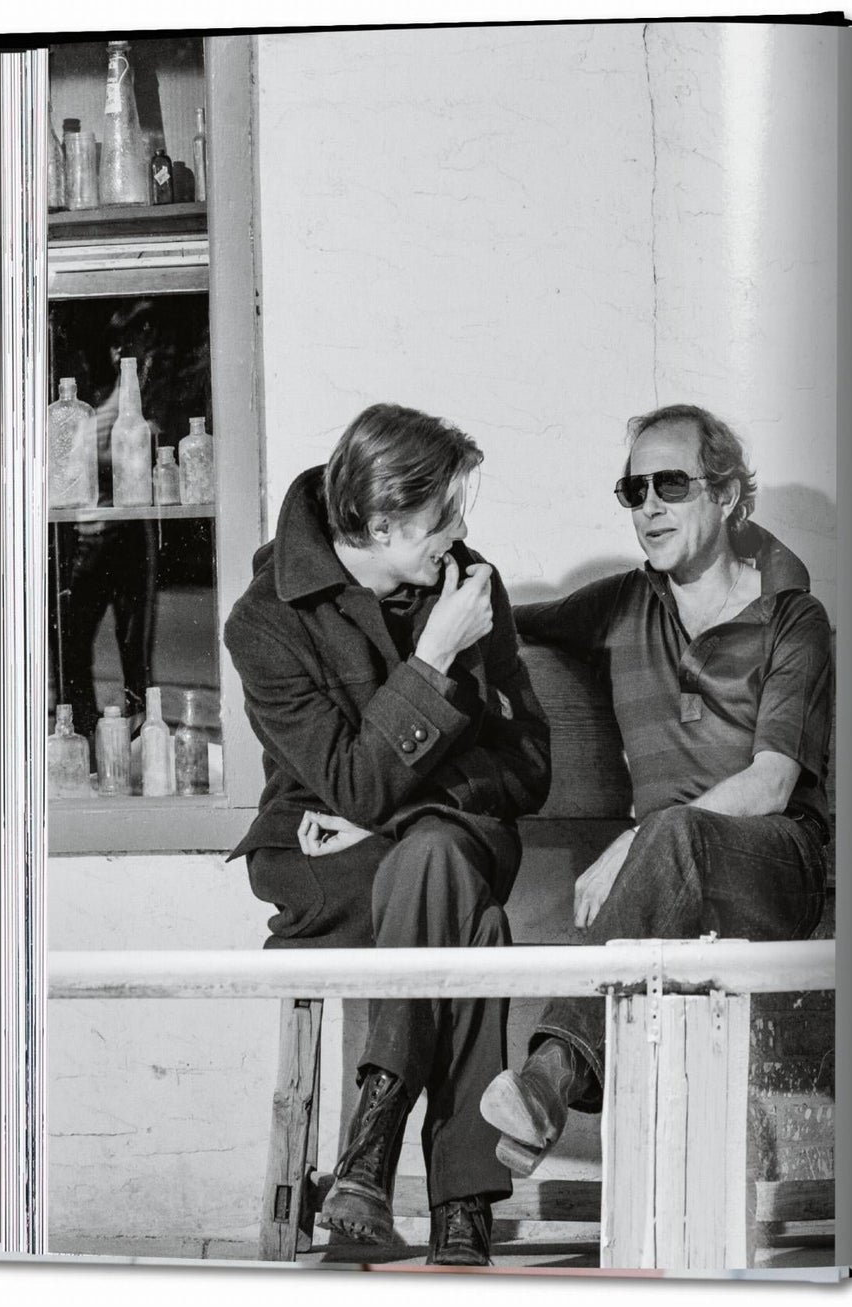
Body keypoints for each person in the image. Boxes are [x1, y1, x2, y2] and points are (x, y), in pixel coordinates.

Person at [224, 403, 550, 1265]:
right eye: (443, 515)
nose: (460, 532)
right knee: (467, 911)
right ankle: (464, 1203)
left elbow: (529, 767)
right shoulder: (264, 620)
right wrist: (432, 660)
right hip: (325, 870)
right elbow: (355, 781)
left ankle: (369, 1151)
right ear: (376, 523)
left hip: (406, 841)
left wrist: (393, 809)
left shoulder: (470, 583)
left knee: (434, 856)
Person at [479, 403, 832, 1174]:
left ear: (728, 495)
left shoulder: (791, 617)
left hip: (775, 869)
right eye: (633, 490)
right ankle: (547, 1091)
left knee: (672, 830)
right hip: (666, 883)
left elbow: (772, 782)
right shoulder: (624, 604)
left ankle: (547, 1077)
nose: (649, 507)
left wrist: (635, 840)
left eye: (671, 484)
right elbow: (499, 620)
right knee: (667, 846)